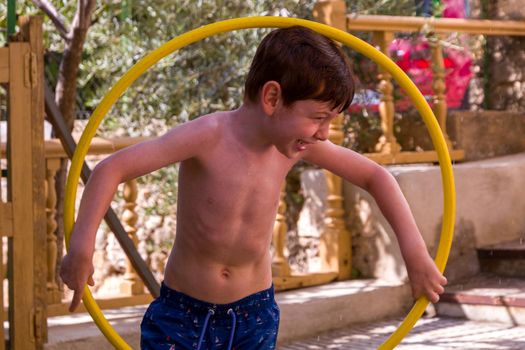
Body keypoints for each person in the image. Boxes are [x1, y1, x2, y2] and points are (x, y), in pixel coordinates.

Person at [60, 26, 447, 350]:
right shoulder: (207, 136)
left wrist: (414, 254)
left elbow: (376, 176)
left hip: (254, 316)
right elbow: (111, 169)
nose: (324, 133)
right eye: (318, 118)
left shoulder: (294, 147)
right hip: (182, 316)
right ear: (273, 97)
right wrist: (81, 247)